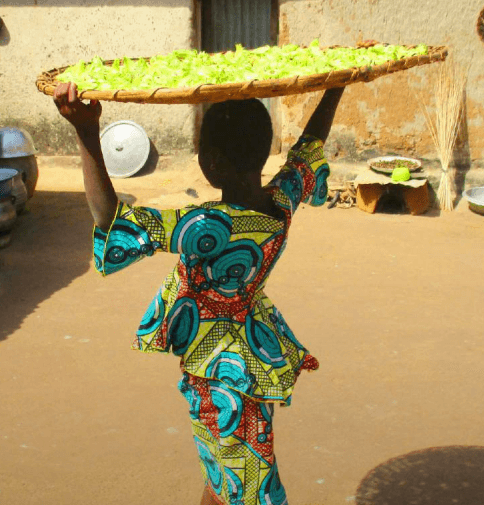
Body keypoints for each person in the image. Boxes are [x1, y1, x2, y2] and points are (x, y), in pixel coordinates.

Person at [54, 82, 345, 505]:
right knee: (225, 477)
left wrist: (85, 132)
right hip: (248, 361)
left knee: (247, 488)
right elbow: (310, 144)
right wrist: (335, 87)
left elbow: (112, 221)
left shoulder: (211, 226)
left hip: (222, 377)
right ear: (263, 154)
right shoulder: (281, 200)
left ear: (211, 162)